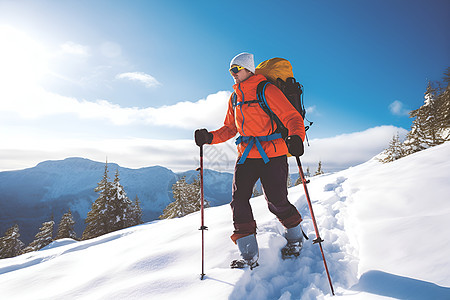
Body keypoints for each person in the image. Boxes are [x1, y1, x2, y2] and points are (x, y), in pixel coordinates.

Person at [195, 52, 306, 268]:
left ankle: (295, 238)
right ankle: (249, 256)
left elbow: (292, 117)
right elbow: (229, 128)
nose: (233, 74)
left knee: (276, 200)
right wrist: (209, 138)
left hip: (273, 154)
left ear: (249, 69)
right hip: (246, 155)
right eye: (231, 70)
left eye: (236, 69)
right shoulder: (234, 97)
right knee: (238, 201)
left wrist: (295, 138)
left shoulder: (267, 90)